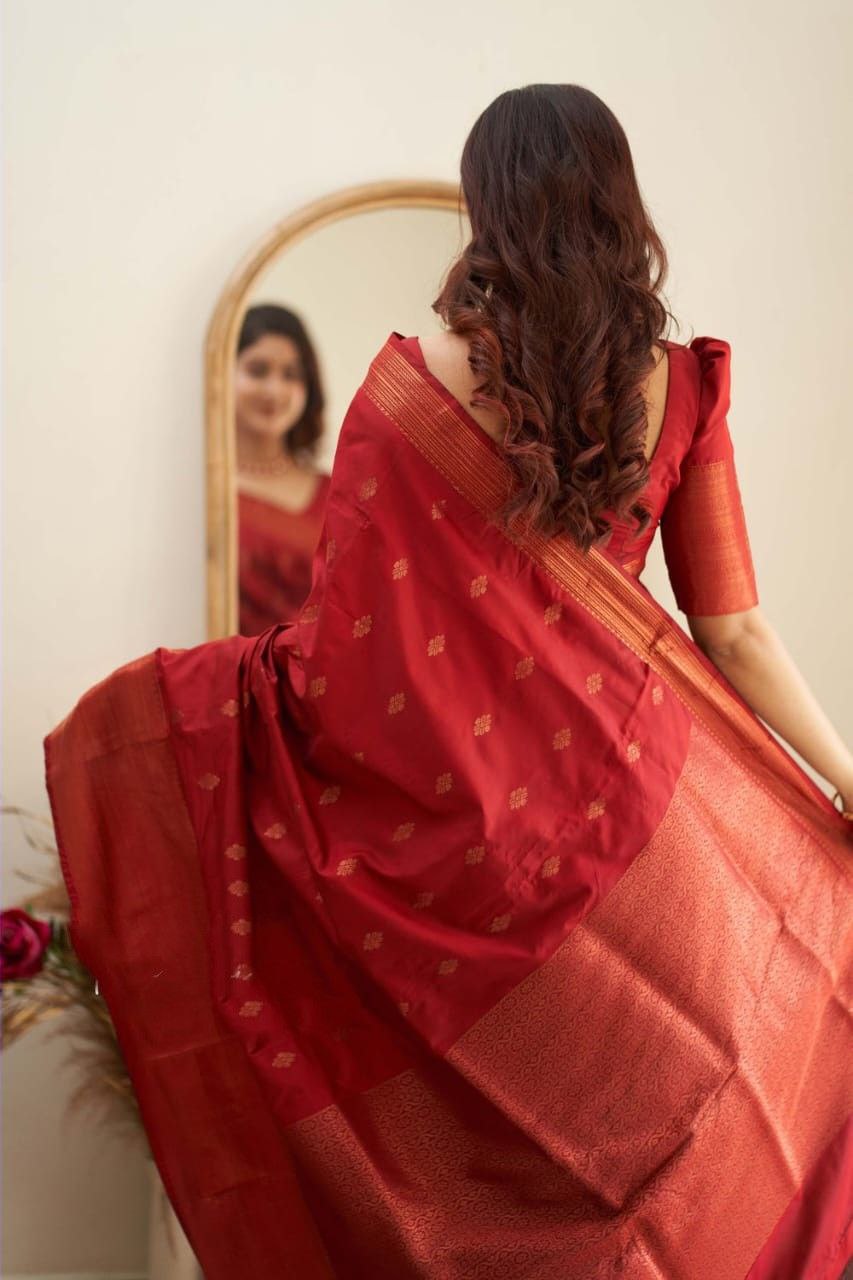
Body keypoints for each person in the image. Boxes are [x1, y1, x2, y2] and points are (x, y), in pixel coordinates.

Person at [44, 84, 852, 1279]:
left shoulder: (404, 388)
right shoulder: (682, 385)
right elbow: (732, 630)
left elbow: (343, 649)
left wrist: (217, 710)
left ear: (483, 209)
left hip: (451, 870)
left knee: (481, 1181)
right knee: (697, 1129)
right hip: (633, 841)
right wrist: (840, 785)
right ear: (619, 200)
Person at [235, 304, 331, 633]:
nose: (274, 390)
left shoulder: (336, 493)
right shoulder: (203, 492)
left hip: (323, 681)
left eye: (291, 375)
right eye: (258, 370)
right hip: (228, 679)